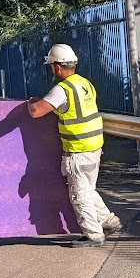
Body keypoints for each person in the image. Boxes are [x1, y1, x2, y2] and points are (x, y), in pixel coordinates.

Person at [27, 44, 121, 247]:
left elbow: (36, 112)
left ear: (57, 67)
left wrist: (32, 102)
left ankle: (93, 235)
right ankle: (108, 221)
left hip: (78, 150)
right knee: (88, 189)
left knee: (79, 194)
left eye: (51, 67)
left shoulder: (62, 90)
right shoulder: (85, 84)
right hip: (94, 146)